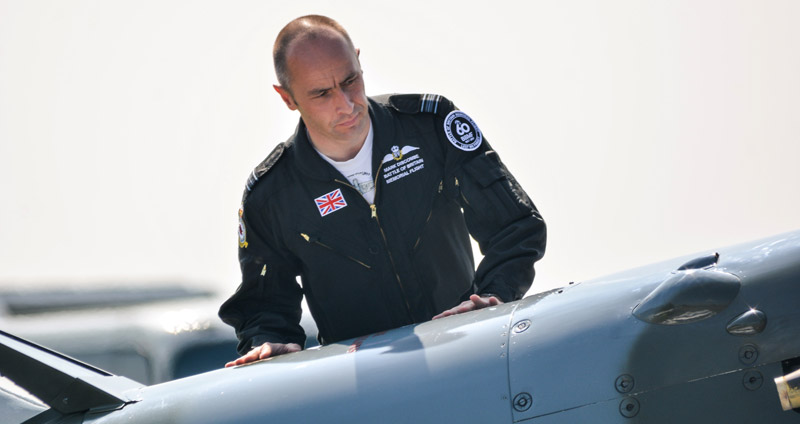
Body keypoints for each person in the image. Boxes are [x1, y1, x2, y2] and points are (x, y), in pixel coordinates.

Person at [219, 15, 546, 367]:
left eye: (350, 80)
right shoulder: (271, 197)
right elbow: (263, 306)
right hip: (365, 388)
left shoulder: (432, 127)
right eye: (322, 94)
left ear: (359, 61)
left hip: (467, 356)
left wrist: (493, 296)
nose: (345, 104)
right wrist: (272, 344)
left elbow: (517, 227)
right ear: (287, 98)